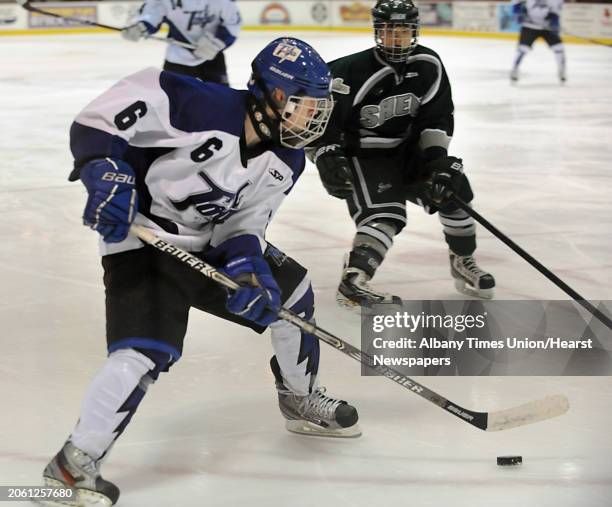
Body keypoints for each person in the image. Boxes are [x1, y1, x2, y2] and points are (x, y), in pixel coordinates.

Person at [40, 38, 360, 507]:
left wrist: (249, 268)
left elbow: (245, 222)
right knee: (144, 353)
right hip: (142, 238)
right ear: (271, 95)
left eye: (318, 107)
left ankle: (299, 397)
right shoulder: (196, 102)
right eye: (303, 105)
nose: (312, 117)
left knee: (293, 293)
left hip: (206, 246)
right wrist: (103, 168)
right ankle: (73, 465)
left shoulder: (287, 160)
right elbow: (100, 118)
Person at [307, 0, 495, 310]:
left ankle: (463, 260)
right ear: (378, 32)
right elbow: (320, 122)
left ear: (414, 31)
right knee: (385, 215)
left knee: (454, 191)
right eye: (390, 30)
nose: (397, 38)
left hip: (407, 151)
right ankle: (355, 277)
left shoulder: (428, 65)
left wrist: (437, 162)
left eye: (404, 31)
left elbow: (436, 117)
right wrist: (326, 155)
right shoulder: (347, 72)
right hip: (364, 155)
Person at [121, 0, 241, 85]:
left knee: (221, 102)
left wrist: (216, 43)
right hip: (177, 59)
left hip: (212, 58)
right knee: (172, 105)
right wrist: (140, 26)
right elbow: (151, 15)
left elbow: (232, 23)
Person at [510, 0, 566, 83]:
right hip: (529, 26)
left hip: (547, 27)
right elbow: (516, 3)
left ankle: (562, 71)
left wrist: (554, 21)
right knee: (522, 49)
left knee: (559, 48)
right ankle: (514, 70)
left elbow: (555, 12)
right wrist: (518, 13)